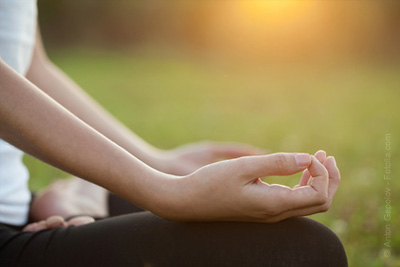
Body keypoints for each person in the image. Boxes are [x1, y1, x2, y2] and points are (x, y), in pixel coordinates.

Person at [0, 0, 348, 266]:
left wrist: (157, 162)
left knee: (289, 241)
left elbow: (29, 66)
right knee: (306, 252)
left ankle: (65, 203)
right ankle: (74, 202)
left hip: (16, 206)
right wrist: (166, 193)